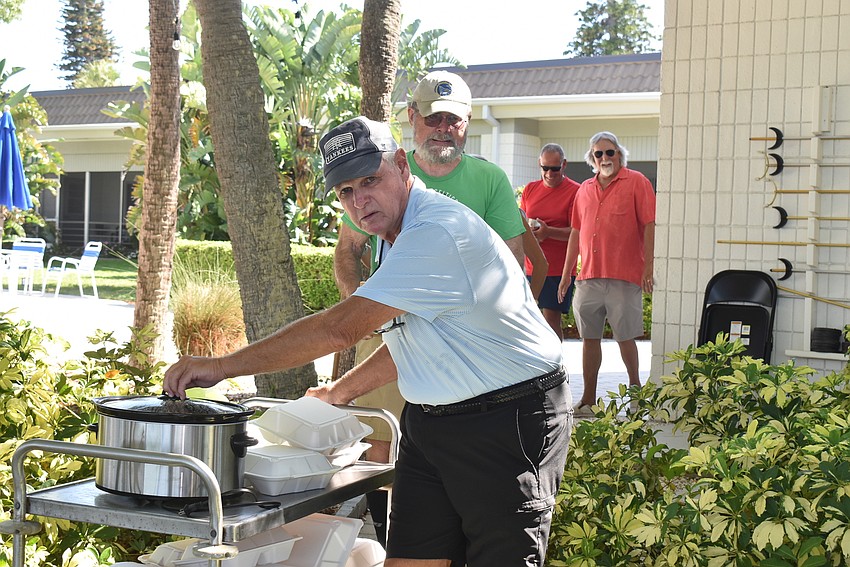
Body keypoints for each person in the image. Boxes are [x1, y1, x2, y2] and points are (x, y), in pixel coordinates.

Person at [164, 117, 572, 567]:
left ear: (402, 165)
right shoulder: (395, 235)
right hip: (431, 422)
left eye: (370, 180)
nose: (360, 201)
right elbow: (414, 339)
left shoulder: (434, 232)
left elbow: (339, 329)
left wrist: (222, 367)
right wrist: (338, 393)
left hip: (508, 420)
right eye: (345, 192)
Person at [333, 70, 527, 544]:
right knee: (381, 443)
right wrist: (367, 311)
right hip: (390, 336)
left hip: (468, 361)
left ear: (466, 124)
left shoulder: (487, 179)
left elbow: (514, 261)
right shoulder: (372, 173)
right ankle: (381, 537)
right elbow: (346, 251)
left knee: (458, 484)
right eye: (433, 118)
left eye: (453, 120)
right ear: (411, 119)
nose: (443, 128)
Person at [557, 131, 655, 417]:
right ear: (592, 159)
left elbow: (650, 224)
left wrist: (648, 266)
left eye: (609, 152)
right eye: (598, 154)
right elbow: (576, 232)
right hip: (588, 277)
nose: (604, 158)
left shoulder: (637, 182)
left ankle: (637, 393)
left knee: (625, 337)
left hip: (624, 275)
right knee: (589, 339)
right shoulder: (584, 189)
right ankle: (588, 400)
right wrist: (567, 275)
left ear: (619, 154)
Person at [520, 143, 581, 339]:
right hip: (532, 266)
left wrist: (549, 232)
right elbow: (520, 222)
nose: (549, 173)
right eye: (545, 168)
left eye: (554, 168)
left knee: (550, 320)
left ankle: (556, 365)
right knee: (531, 319)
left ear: (564, 165)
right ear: (539, 164)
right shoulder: (530, 189)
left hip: (559, 268)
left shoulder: (575, 191)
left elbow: (578, 231)